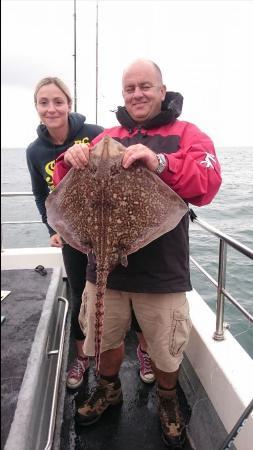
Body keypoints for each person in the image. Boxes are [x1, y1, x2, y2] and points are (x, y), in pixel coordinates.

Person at [53, 59, 222, 447]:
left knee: (165, 350)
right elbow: (64, 191)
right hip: (105, 268)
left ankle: (167, 401)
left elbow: (208, 182)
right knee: (104, 338)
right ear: (123, 94)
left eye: (145, 86)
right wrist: (69, 160)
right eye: (130, 88)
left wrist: (160, 161)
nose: (137, 94)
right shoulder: (106, 136)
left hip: (161, 274)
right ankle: (108, 389)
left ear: (162, 90)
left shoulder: (187, 134)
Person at [26, 77, 104, 389]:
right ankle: (82, 356)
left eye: (58, 101)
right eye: (44, 102)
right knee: (78, 293)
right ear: (36, 107)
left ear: (69, 104)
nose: (51, 108)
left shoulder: (94, 134)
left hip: (102, 226)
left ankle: (141, 351)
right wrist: (51, 228)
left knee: (123, 288)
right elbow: (39, 193)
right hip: (70, 233)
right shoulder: (34, 151)